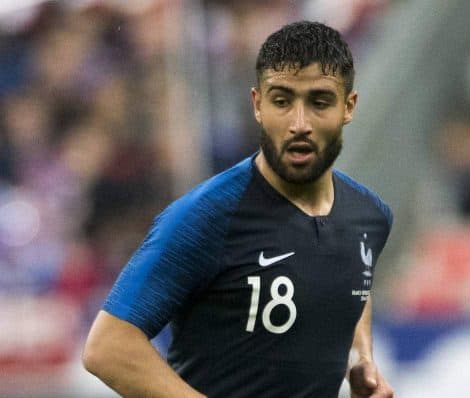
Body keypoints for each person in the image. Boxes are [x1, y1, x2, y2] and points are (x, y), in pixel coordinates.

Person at [83, 21, 394, 398]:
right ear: (257, 105)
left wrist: (360, 357)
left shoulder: (369, 216)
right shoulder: (208, 216)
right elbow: (108, 346)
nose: (299, 124)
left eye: (319, 101)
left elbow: (352, 282)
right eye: (282, 100)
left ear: (348, 107)